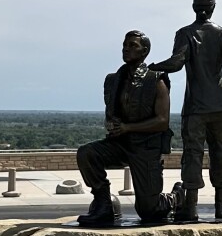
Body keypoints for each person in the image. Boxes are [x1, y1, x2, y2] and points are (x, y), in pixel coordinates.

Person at [150, 0, 222, 221]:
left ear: (194, 7)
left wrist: (152, 67)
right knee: (220, 153)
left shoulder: (184, 34)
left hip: (195, 107)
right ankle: (221, 206)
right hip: (220, 105)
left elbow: (176, 63)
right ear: (213, 7)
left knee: (193, 154)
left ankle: (191, 208)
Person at [76, 30, 181, 225]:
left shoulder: (155, 80)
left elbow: (162, 121)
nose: (126, 49)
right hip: (120, 144)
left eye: (133, 45)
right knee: (87, 153)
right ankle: (103, 205)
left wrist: (128, 127)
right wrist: (113, 124)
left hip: (146, 147)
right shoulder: (113, 80)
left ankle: (177, 196)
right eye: (125, 45)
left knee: (148, 211)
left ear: (145, 51)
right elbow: (111, 113)